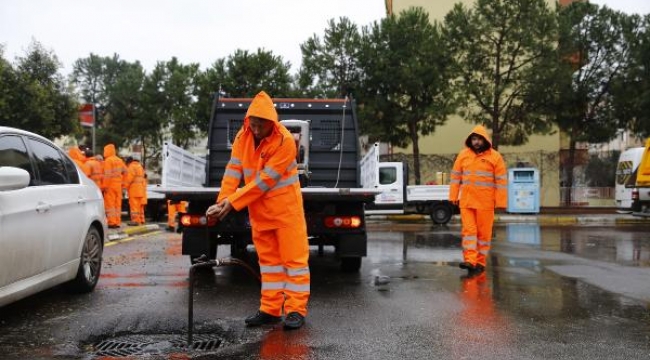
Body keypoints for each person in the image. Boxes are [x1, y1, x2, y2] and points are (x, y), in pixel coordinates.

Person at [206, 91, 310, 330]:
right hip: (260, 213)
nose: (255, 130)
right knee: (269, 264)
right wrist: (222, 200)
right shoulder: (243, 137)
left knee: (294, 262)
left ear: (271, 124)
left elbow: (264, 181)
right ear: (248, 121)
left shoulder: (284, 142)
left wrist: (232, 203)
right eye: (252, 125)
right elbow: (233, 171)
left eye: (259, 127)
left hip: (286, 213)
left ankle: (295, 309)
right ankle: (271, 309)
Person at [449, 125, 507, 274]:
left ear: (485, 140)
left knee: (483, 234)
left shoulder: (495, 157)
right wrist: (453, 196)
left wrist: (500, 202)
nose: (476, 142)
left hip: (485, 203)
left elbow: (501, 181)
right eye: (474, 139)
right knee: (469, 232)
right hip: (467, 201)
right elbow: (456, 177)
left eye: (479, 139)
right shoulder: (463, 155)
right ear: (470, 140)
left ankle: (480, 262)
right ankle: (469, 260)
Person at [103, 144, 127, 229]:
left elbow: (107, 175)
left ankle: (112, 222)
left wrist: (104, 186)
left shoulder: (108, 160)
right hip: (118, 186)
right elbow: (125, 172)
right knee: (117, 205)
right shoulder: (120, 160)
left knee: (110, 205)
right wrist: (123, 183)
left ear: (107, 151)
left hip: (110, 186)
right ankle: (117, 222)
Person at [124, 155, 147, 226]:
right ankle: (140, 220)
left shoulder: (131, 167)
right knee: (139, 207)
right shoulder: (140, 166)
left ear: (129, 162)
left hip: (134, 190)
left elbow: (129, 179)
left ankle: (135, 221)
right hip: (140, 190)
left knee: (134, 207)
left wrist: (125, 187)